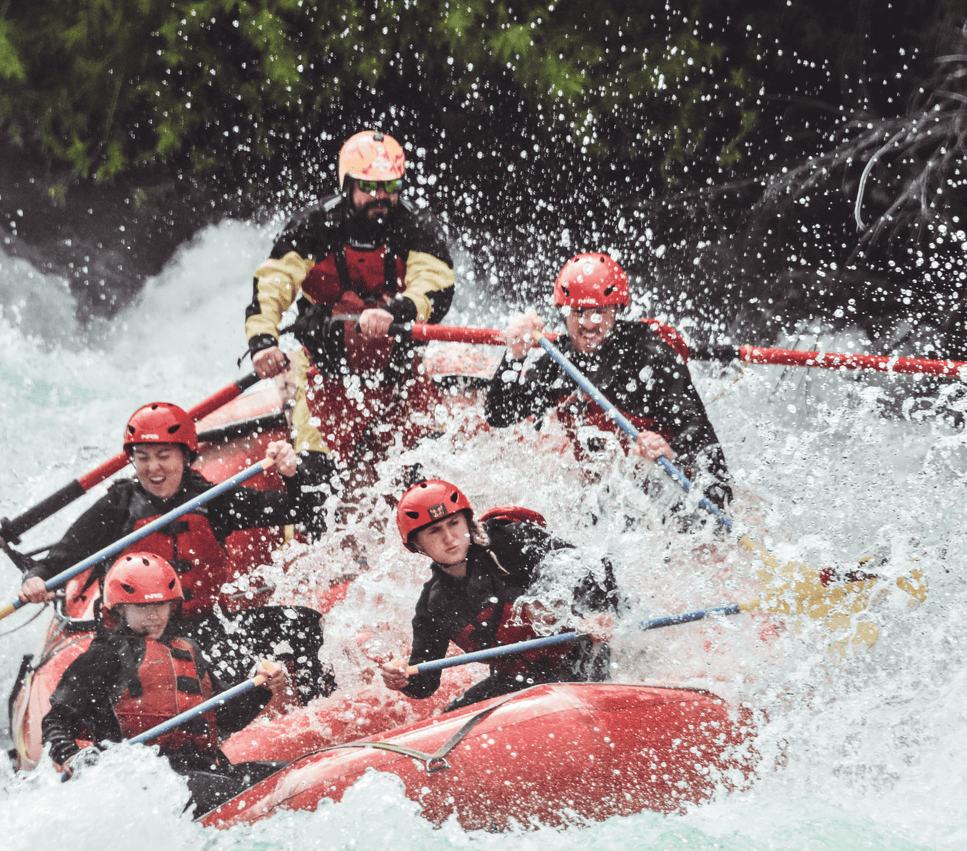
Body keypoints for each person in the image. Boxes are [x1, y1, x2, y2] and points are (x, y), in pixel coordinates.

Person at [18, 401, 335, 700]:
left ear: (185, 456)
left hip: (205, 629)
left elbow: (298, 509)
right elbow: (63, 557)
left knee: (305, 624)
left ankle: (318, 706)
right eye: (142, 457)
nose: (153, 467)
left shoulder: (212, 500)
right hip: (135, 639)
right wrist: (36, 578)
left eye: (163, 455)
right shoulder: (117, 507)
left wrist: (292, 474)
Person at [243, 130, 457, 483]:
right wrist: (263, 341)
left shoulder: (416, 227)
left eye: (390, 186)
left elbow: (435, 285)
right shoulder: (314, 225)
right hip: (326, 376)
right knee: (314, 479)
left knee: (435, 473)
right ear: (347, 185)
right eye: (369, 186)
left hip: (401, 376)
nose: (381, 196)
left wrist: (394, 312)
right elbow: (273, 282)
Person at [42, 552, 296, 816]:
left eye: (160, 605)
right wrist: (73, 757)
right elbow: (55, 722)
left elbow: (226, 717)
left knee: (290, 774)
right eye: (142, 607)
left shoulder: (188, 650)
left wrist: (261, 689)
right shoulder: (104, 656)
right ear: (120, 609)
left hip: (205, 769)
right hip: (148, 784)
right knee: (238, 792)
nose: (154, 615)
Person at [485, 253, 733, 513]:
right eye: (578, 312)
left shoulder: (651, 358)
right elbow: (499, 414)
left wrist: (671, 450)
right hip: (609, 496)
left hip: (673, 493)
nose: (588, 324)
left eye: (599, 312)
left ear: (616, 311)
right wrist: (515, 356)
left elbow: (703, 436)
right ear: (564, 312)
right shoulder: (558, 361)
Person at [381, 479, 622, 712]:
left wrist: (599, 612)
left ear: (467, 521)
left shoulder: (511, 540)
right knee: (453, 714)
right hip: (522, 677)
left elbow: (591, 565)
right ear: (417, 545)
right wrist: (403, 679)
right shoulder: (434, 605)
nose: (449, 538)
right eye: (434, 531)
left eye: (454, 523)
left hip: (582, 654)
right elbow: (425, 682)